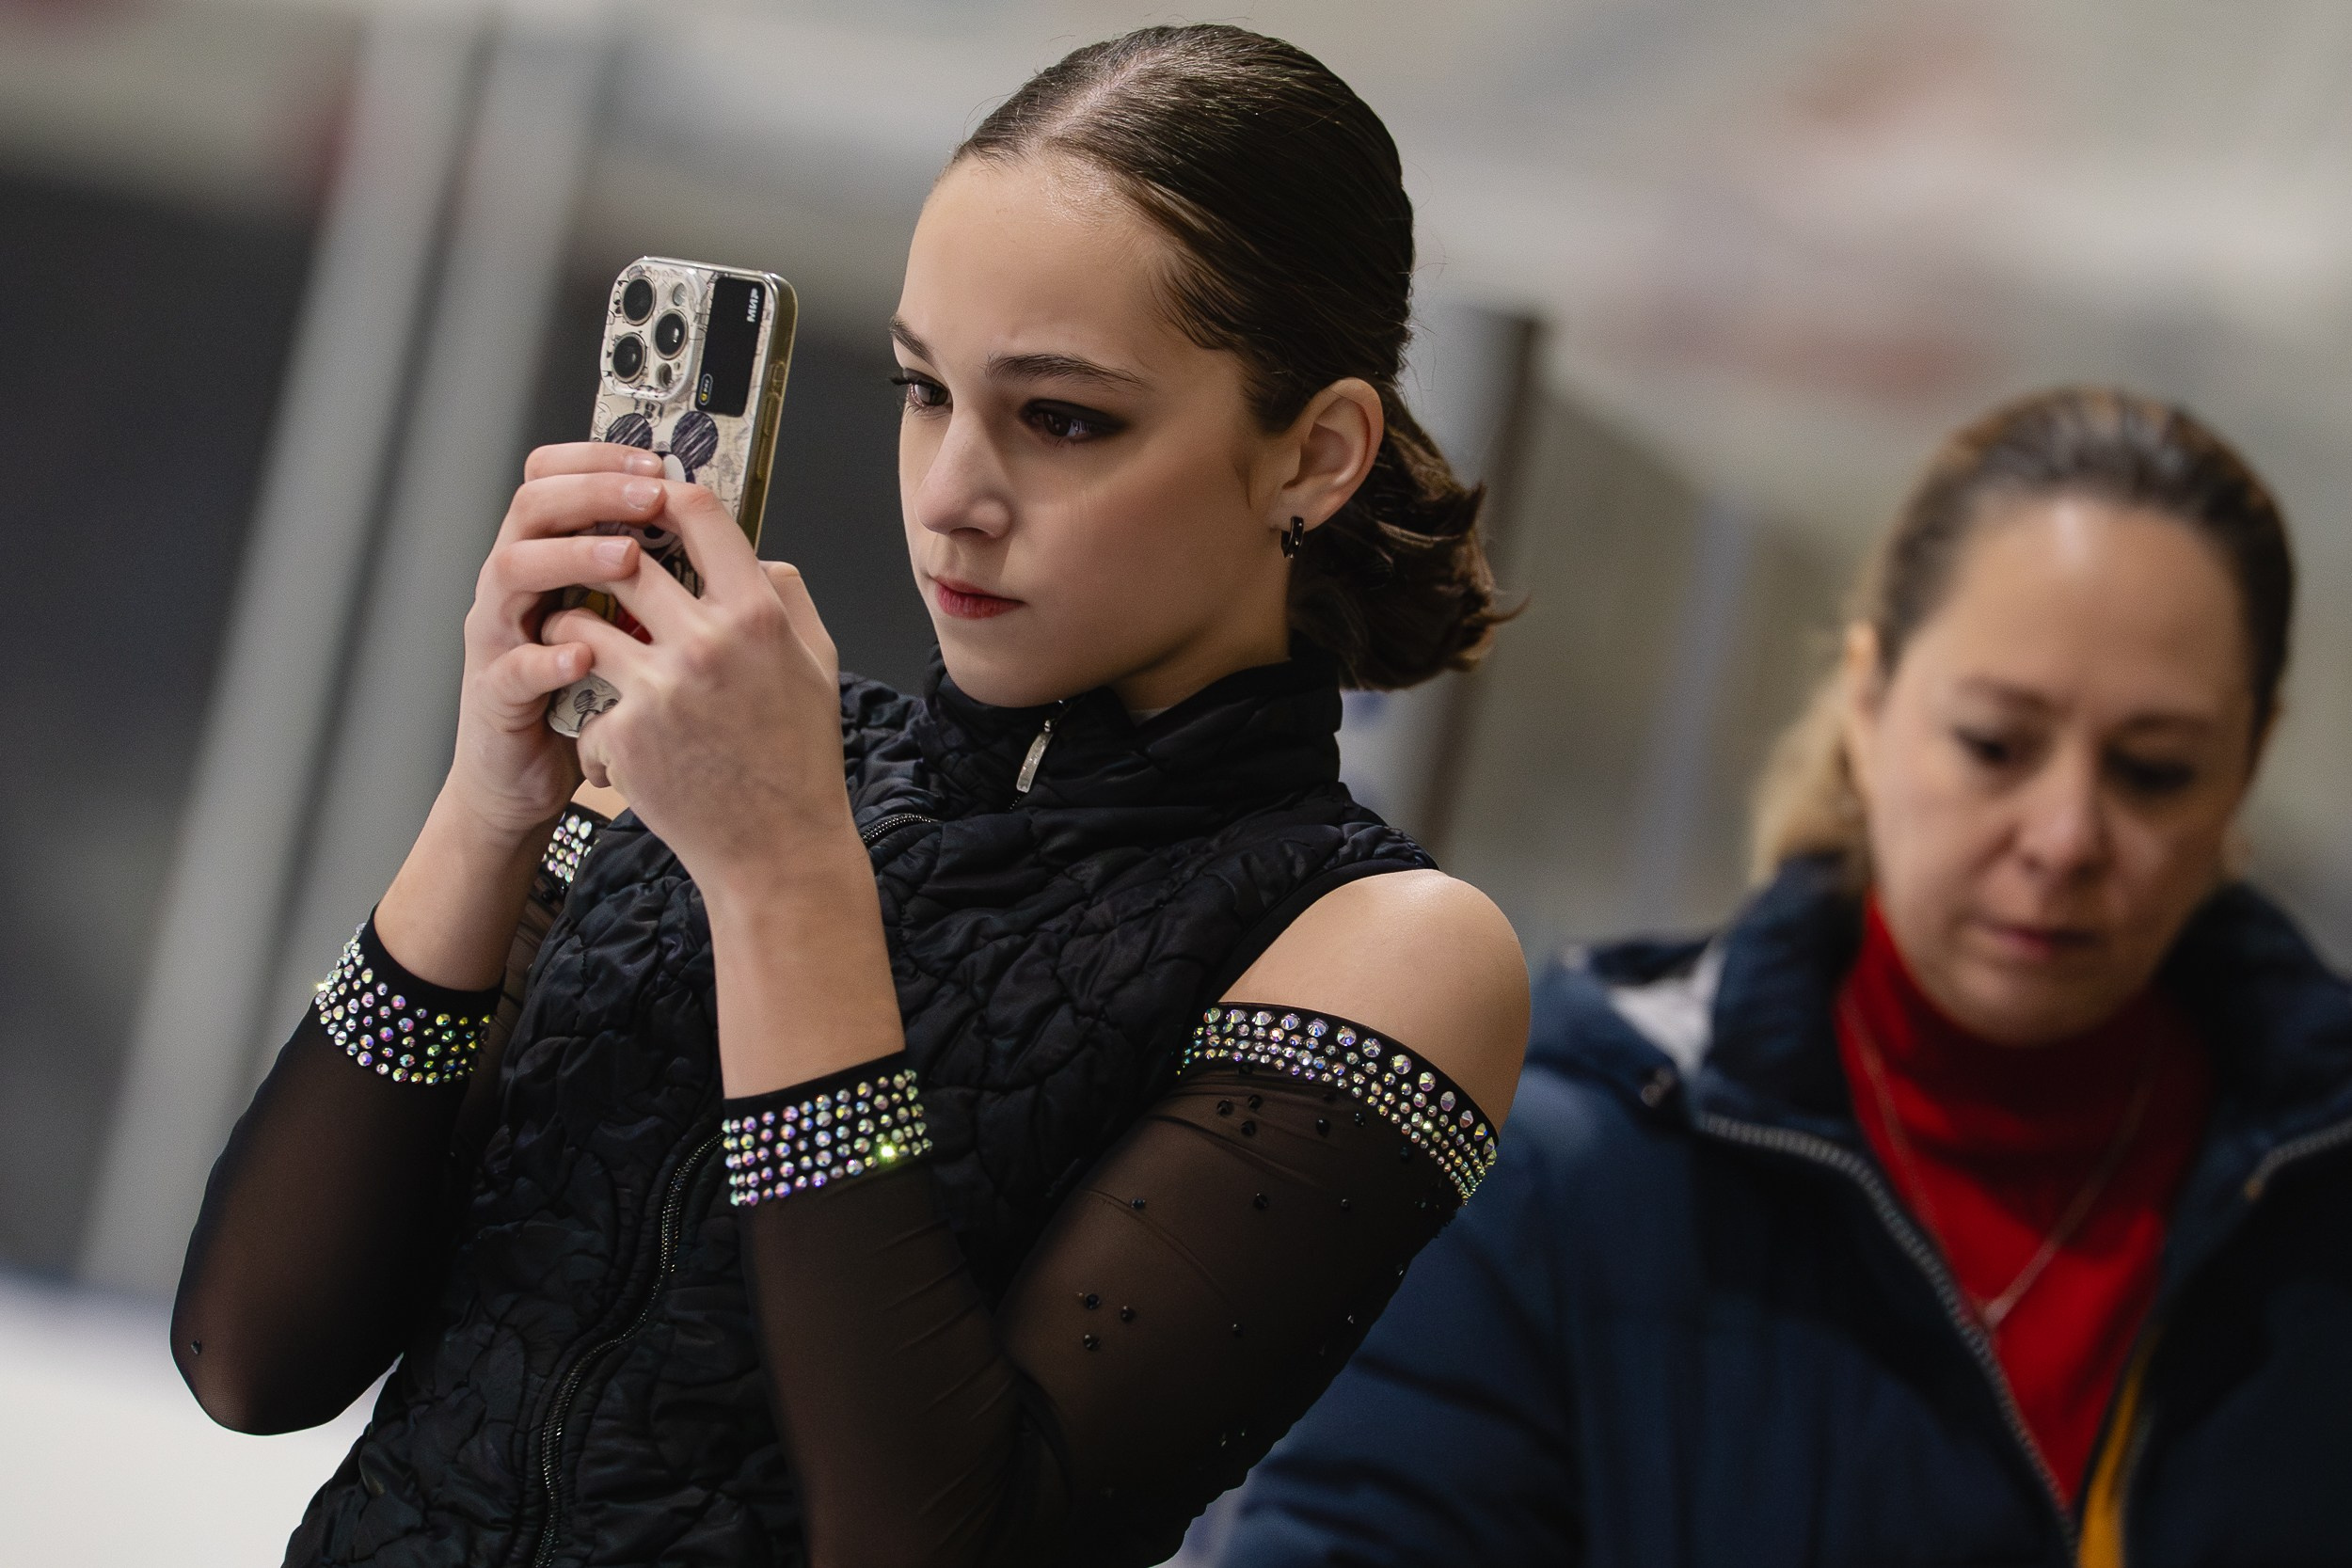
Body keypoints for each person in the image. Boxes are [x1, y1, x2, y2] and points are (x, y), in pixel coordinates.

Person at [169, 25, 1531, 1568]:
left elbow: (943, 1540)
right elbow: (251, 1353)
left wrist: (783, 884)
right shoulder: (706, 773)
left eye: (1064, 417)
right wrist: (491, 800)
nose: (951, 490)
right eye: (922, 389)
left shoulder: (1386, 943)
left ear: (1320, 453)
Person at [1219, 387, 2352, 1567]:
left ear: (2247, 765)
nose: (2064, 835)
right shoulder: (1568, 1159)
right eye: (1994, 745)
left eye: (2155, 770)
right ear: (1868, 703)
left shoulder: (2316, 1190)